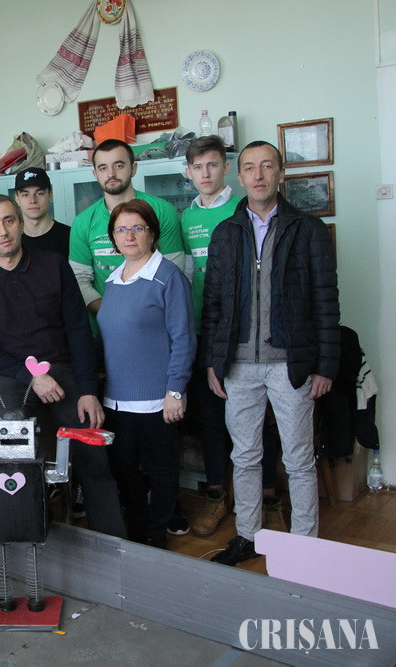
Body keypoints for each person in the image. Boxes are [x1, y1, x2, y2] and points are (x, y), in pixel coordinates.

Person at [204, 141, 340, 566]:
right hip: (238, 365)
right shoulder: (226, 233)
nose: (258, 175)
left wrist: (326, 365)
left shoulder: (308, 229)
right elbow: (213, 304)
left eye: (267, 166)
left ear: (281, 173)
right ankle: (248, 536)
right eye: (250, 167)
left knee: (298, 458)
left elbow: (326, 300)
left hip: (290, 364)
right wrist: (213, 362)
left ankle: (304, 546)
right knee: (244, 456)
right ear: (239, 175)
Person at [0, 194, 125, 539]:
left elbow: (79, 330)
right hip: (11, 373)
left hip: (61, 368)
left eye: (9, 220)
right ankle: (23, 535)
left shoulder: (53, 265)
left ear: (21, 224)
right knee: (11, 454)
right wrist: (32, 376)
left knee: (93, 452)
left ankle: (113, 543)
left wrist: (88, 390)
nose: (3, 231)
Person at [97, 199, 195, 548]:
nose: (130, 235)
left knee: (162, 472)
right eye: (121, 229)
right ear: (113, 237)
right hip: (116, 401)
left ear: (152, 233)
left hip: (157, 401)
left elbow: (184, 337)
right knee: (125, 472)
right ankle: (137, 533)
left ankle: (156, 535)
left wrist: (175, 391)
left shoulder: (168, 277)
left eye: (137, 228)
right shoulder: (113, 280)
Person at [179, 136, 243, 537]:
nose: (206, 174)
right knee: (210, 418)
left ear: (226, 168)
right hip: (203, 331)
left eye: (213, 165)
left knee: (252, 417)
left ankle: (265, 498)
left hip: (242, 333)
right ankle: (218, 493)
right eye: (198, 167)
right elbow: (186, 274)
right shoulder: (186, 218)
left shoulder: (243, 208)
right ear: (189, 173)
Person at [68, 139, 184, 323]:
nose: (111, 174)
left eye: (119, 165)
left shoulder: (162, 211)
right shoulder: (83, 222)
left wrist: (140, 316)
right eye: (103, 168)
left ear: (134, 168)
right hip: (104, 327)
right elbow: (79, 279)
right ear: (95, 174)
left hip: (155, 323)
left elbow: (174, 270)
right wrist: (112, 314)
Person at [14, 167, 70, 254]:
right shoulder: (11, 240)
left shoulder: (70, 236)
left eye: (39, 193)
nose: (33, 200)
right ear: (17, 198)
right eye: (25, 195)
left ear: (50, 195)